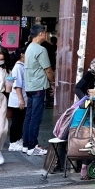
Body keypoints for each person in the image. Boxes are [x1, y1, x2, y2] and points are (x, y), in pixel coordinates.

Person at [21, 24, 53, 156]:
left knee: (29, 116)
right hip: (39, 86)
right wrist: (53, 82)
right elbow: (48, 70)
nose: (46, 35)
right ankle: (32, 145)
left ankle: (26, 144)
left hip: (29, 85)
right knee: (36, 117)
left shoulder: (29, 47)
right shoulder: (40, 49)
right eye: (45, 33)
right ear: (40, 33)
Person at [7, 48, 27, 151]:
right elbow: (17, 85)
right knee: (17, 121)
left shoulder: (22, 66)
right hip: (18, 99)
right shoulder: (18, 67)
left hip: (21, 98)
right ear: (22, 54)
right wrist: (21, 99)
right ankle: (13, 142)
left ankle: (18, 140)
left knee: (20, 121)